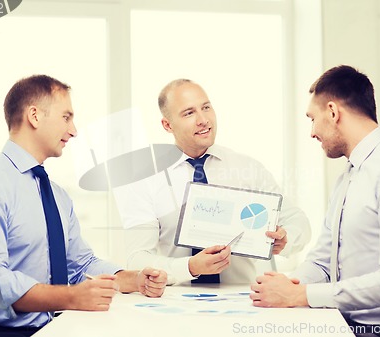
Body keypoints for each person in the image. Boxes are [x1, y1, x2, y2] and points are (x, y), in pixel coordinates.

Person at [0, 75, 167, 336]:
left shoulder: (57, 195)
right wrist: (71, 297)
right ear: (34, 116)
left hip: (49, 328)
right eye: (66, 117)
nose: (74, 130)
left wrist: (132, 279)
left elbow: (80, 264)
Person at [250, 65, 380, 336]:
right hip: (348, 327)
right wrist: (284, 284)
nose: (312, 132)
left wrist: (299, 294)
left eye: (312, 119)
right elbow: (322, 262)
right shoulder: (348, 179)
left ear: (332, 112)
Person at [114, 79, 311, 285]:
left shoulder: (247, 169)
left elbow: (299, 221)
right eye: (189, 113)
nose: (203, 120)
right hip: (178, 305)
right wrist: (189, 267)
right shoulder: (146, 181)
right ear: (167, 125)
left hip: (247, 300)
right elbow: (137, 258)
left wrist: (285, 239)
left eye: (206, 108)